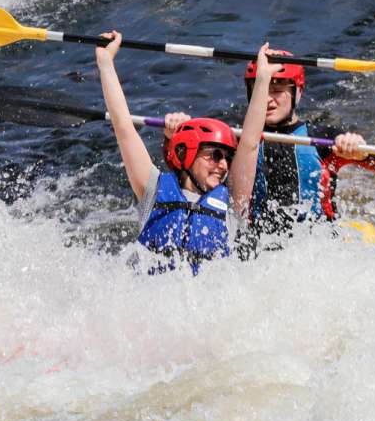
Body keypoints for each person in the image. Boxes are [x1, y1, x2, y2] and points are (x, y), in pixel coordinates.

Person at [165, 51, 375, 254]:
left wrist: (361, 153)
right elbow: (183, 167)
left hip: (318, 246)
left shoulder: (322, 138)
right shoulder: (234, 136)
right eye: (262, 88)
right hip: (255, 246)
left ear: (297, 92)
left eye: (278, 89)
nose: (268, 99)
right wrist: (173, 134)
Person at [96, 31, 281, 274]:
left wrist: (263, 79)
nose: (223, 164)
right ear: (187, 153)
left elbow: (249, 143)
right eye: (214, 155)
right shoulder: (153, 189)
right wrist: (105, 62)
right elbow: (123, 128)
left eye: (226, 157)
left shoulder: (233, 203)